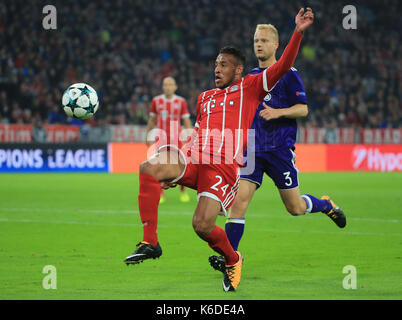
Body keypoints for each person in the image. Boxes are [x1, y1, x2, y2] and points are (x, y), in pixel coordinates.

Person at [124, 8, 314, 292]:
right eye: (216, 63)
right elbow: (198, 133)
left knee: (201, 225)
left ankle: (233, 259)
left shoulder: (251, 87)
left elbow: (283, 65)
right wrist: (177, 167)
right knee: (148, 169)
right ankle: (150, 242)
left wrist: (297, 32)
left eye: (223, 64)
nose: (217, 68)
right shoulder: (205, 97)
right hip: (193, 156)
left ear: (237, 70)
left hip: (221, 166)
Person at [209, 23, 346, 273]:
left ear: (275, 45)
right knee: (239, 203)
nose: (258, 44)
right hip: (253, 151)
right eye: (255, 41)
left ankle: (325, 204)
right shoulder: (249, 77)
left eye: (263, 40)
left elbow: (303, 109)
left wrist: (279, 112)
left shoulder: (288, 73)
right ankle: (230, 259)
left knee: (295, 208)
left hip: (280, 150)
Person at [146, 77, 193, 203]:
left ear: (175, 87)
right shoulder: (156, 101)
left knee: (181, 164)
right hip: (160, 138)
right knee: (159, 165)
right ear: (162, 87)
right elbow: (152, 120)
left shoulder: (181, 101)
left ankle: (183, 191)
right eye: (165, 85)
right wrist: (148, 134)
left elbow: (186, 120)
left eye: (170, 84)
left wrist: (190, 136)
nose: (167, 87)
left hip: (176, 138)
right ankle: (160, 193)